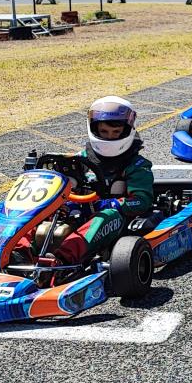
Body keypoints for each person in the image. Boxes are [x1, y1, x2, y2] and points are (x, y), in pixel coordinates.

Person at [49, 97, 154, 266]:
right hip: (79, 212)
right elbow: (65, 187)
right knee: (38, 213)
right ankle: (20, 252)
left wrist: (111, 204)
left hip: (116, 219)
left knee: (105, 216)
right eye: (104, 132)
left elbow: (142, 201)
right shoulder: (81, 159)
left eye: (116, 132)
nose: (109, 136)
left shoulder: (136, 164)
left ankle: (61, 260)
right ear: (94, 129)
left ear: (128, 129)